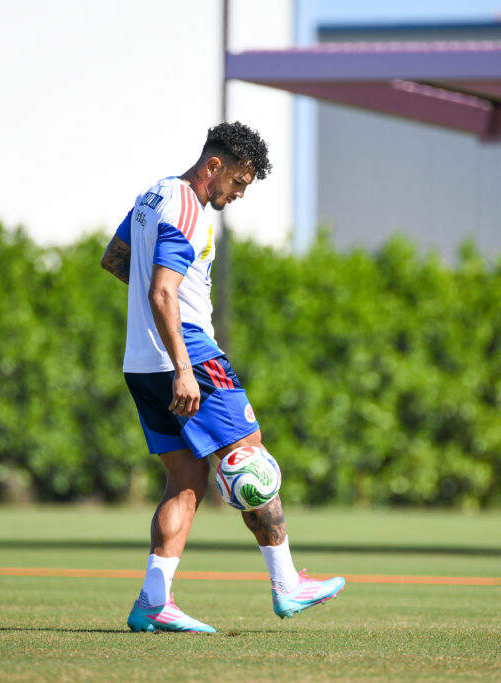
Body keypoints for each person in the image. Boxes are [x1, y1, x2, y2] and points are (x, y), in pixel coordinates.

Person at [100, 121, 345, 633]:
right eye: (238, 182)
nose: (238, 194)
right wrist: (184, 367)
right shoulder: (189, 208)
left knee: (187, 480)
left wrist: (160, 312)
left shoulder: (153, 195)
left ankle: (153, 601)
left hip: (141, 362)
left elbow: (116, 260)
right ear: (214, 166)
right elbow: (162, 292)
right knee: (251, 460)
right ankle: (287, 584)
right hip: (188, 356)